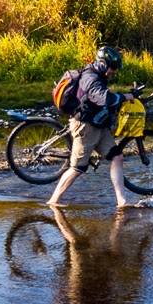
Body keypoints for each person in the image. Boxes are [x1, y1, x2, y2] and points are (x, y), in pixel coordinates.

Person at [47, 46, 137, 208]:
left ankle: (122, 201)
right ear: (103, 64)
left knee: (117, 157)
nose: (114, 71)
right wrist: (126, 96)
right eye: (113, 67)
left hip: (97, 125)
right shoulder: (91, 78)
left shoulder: (98, 76)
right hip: (85, 127)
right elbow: (105, 99)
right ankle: (54, 201)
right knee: (78, 168)